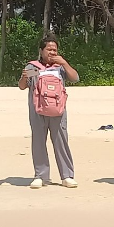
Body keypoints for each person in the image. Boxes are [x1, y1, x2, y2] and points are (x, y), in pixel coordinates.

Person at [19, 35, 79, 189]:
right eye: (49, 49)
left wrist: (64, 62)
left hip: (58, 111)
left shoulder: (60, 68)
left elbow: (75, 78)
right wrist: (24, 78)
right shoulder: (33, 67)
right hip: (37, 111)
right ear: (41, 50)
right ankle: (40, 176)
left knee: (61, 142)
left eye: (55, 50)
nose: (52, 52)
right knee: (38, 142)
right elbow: (22, 86)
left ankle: (67, 176)